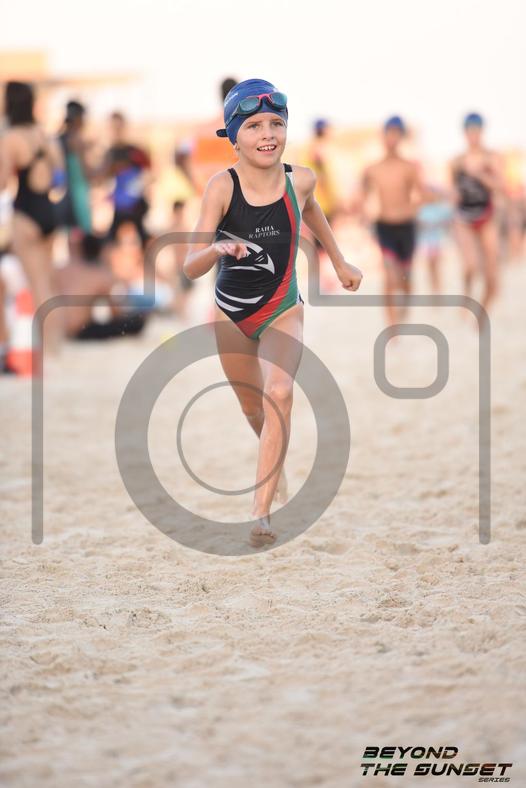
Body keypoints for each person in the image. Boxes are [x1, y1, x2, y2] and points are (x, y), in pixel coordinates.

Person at [183, 78, 362, 548]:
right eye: (254, 126)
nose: (267, 134)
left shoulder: (300, 180)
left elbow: (313, 210)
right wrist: (218, 247)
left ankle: (260, 512)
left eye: (276, 124)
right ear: (234, 136)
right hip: (231, 315)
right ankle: (273, 462)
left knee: (279, 392)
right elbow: (190, 265)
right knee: (252, 406)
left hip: (282, 307)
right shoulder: (221, 187)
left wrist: (340, 262)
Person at [0, 81, 64, 353]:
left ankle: (48, 349)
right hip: (48, 209)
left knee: (38, 286)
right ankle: (56, 345)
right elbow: (59, 176)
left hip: (25, 212)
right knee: (48, 282)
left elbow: (2, 183)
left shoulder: (11, 138)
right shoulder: (44, 135)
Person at [361, 116, 423, 327]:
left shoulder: (409, 167)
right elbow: (362, 195)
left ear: (402, 137)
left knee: (406, 277)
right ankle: (391, 324)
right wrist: (363, 211)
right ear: (383, 136)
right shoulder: (373, 169)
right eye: (389, 134)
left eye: (396, 134)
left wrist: (416, 208)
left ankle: (404, 312)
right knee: (390, 275)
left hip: (406, 226)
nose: (392, 139)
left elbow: (421, 194)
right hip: (384, 225)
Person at [450, 113, 503, 315]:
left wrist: (480, 174)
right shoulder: (457, 161)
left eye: (476, 131)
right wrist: (452, 196)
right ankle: (467, 296)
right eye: (470, 131)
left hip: (486, 216)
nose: (473, 135)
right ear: (465, 133)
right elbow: (453, 190)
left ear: (482, 132)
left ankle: (482, 312)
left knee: (491, 273)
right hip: (464, 217)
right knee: (470, 266)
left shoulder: (491, 158)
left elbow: (499, 185)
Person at [103, 112, 152, 248]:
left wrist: (139, 187)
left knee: (142, 238)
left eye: (118, 126)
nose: (116, 130)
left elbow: (150, 173)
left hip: (135, 204)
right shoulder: (110, 153)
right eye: (113, 127)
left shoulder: (134, 151)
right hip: (119, 205)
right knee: (112, 240)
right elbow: (104, 176)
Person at [56, 100, 93, 257]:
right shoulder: (76, 140)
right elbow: (87, 172)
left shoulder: (58, 139)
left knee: (67, 243)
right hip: (77, 196)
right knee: (82, 245)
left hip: (62, 197)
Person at [417, 185, 453, 293]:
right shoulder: (421, 208)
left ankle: (438, 288)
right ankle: (433, 288)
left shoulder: (441, 208)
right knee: (429, 266)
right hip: (426, 242)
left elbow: (449, 221)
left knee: (437, 266)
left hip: (438, 241)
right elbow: (418, 224)